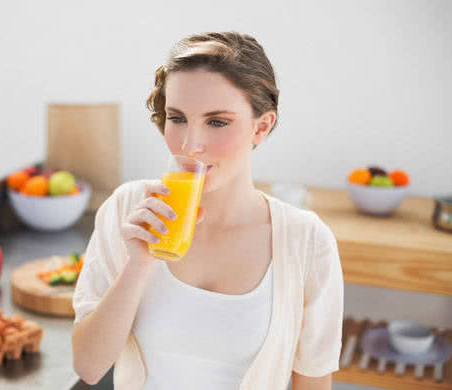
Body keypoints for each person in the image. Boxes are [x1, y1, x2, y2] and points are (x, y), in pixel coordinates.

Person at [72, 31, 344, 390]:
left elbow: (312, 383)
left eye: (217, 122)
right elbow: (88, 367)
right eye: (177, 118)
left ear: (261, 127)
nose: (190, 145)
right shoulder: (128, 209)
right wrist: (138, 265)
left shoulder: (307, 242)